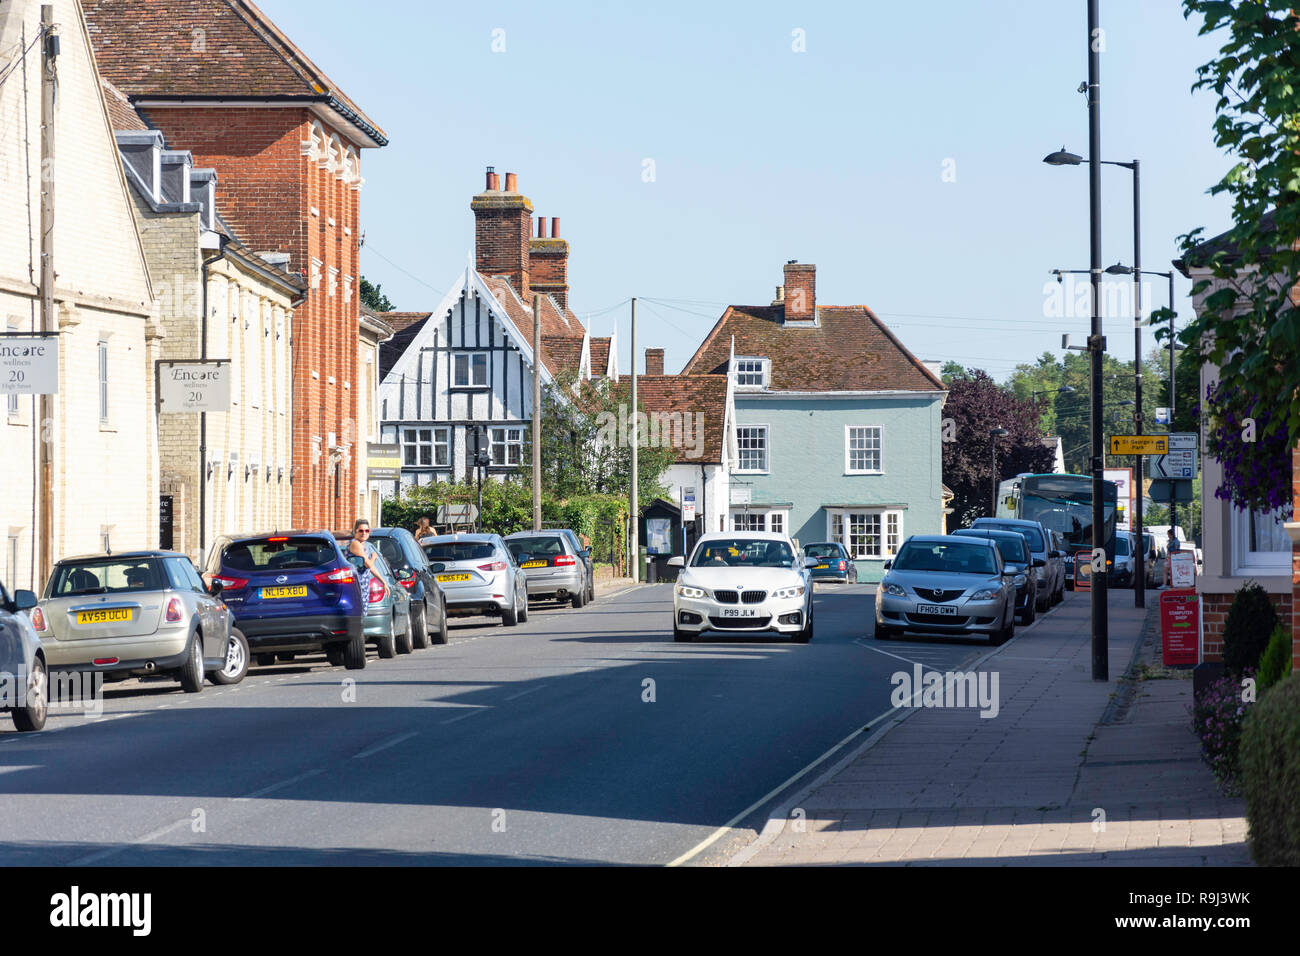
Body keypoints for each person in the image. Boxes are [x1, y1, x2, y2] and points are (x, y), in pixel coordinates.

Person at [349, 519, 381, 610]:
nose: (364, 533)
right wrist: (374, 557)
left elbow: (372, 568)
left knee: (362, 616)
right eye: (361, 531)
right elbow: (368, 564)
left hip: (363, 587)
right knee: (359, 617)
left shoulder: (364, 545)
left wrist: (383, 582)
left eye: (367, 531)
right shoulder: (355, 544)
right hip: (357, 587)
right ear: (355, 531)